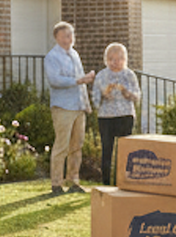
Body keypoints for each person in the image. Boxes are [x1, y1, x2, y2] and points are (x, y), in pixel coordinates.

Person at [44, 21, 94, 195]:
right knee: (61, 146)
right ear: (57, 37)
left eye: (71, 35)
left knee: (77, 146)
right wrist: (79, 80)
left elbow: (81, 84)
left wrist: (86, 105)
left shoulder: (75, 54)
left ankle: (73, 181)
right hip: (63, 107)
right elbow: (55, 80)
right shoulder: (52, 57)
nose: (69, 39)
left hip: (78, 107)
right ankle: (56, 184)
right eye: (65, 35)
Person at [94, 42, 140, 186]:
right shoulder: (101, 76)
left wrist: (128, 93)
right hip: (106, 117)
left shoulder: (129, 75)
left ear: (124, 59)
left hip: (125, 115)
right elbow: (95, 100)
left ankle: (123, 182)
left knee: (124, 151)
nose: (116, 62)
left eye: (119, 59)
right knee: (107, 150)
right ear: (106, 60)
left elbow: (138, 96)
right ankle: (106, 183)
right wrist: (104, 95)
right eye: (112, 59)